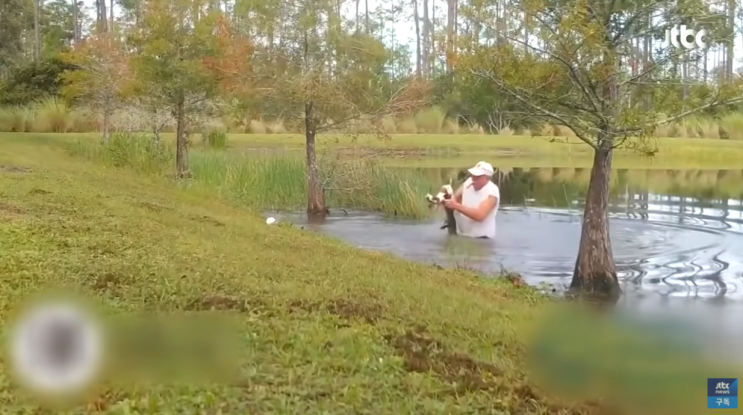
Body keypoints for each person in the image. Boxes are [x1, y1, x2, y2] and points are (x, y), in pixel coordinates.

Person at [443, 161, 500, 239]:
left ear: (487, 177)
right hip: (463, 235)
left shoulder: (492, 192)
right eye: (473, 175)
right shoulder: (468, 182)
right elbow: (455, 197)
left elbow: (480, 216)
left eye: (478, 176)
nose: (474, 178)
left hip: (482, 239)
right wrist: (448, 202)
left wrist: (456, 206)